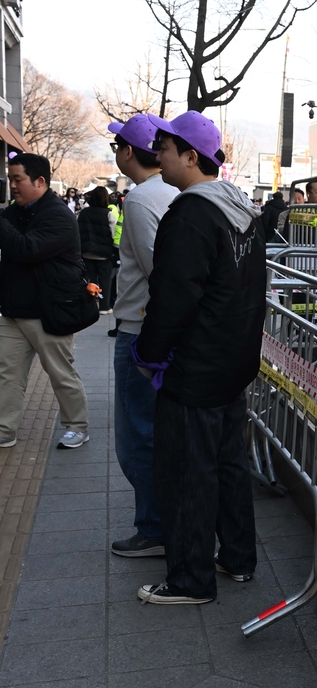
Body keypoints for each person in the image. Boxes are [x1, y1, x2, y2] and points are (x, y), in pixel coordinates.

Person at [131, 111, 265, 605]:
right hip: (233, 363)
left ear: (191, 156)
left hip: (195, 366)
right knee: (229, 464)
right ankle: (237, 558)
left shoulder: (189, 214)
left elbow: (173, 298)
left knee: (188, 471)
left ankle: (190, 579)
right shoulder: (243, 210)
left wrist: (147, 352)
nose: (158, 156)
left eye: (164, 148)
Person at [108, 113, 180, 558]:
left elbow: (160, 272)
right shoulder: (175, 193)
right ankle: (162, 519)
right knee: (157, 432)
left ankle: (152, 526)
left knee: (137, 435)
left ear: (128, 152)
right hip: (161, 332)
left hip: (140, 331)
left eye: (118, 145)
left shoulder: (139, 201)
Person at [0, 153, 91, 449]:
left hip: (50, 311)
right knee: (7, 374)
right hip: (14, 311)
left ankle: (77, 426)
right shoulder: (15, 212)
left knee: (60, 373)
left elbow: (27, 249)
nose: (12, 185)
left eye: (18, 179)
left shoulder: (58, 215)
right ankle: (5, 429)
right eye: (10, 178)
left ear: (40, 181)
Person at [78, 187, 116, 313]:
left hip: (87, 251)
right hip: (104, 253)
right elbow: (113, 233)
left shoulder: (84, 213)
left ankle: (89, 305)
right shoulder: (108, 213)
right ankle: (104, 306)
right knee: (105, 280)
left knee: (89, 279)